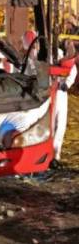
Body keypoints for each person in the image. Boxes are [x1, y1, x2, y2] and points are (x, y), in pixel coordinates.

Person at [52, 39, 77, 169]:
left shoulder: (66, 60)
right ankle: (49, 154)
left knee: (60, 124)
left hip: (60, 95)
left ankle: (55, 155)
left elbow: (72, 71)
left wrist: (66, 84)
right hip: (50, 94)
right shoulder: (50, 57)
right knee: (50, 124)